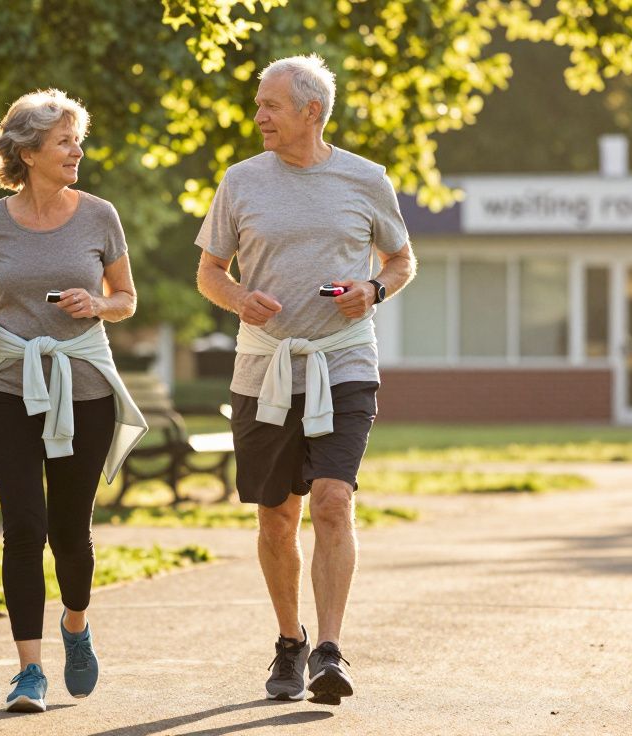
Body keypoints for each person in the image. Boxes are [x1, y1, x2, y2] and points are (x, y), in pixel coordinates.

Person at [195, 54, 417, 706]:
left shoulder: (365, 178)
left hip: (344, 362)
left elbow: (402, 259)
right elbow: (210, 272)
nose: (258, 115)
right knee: (275, 518)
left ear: (310, 112)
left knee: (330, 500)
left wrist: (373, 289)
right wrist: (241, 300)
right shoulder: (240, 182)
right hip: (264, 368)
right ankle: (289, 642)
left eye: (270, 105)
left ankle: (328, 648)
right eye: (260, 105)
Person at [0, 89, 147, 714]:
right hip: (8, 387)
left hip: (83, 388)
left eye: (76, 141)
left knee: (69, 530)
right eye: (64, 142)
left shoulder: (99, 216)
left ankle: (76, 627)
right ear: (28, 152)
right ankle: (28, 670)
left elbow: (127, 298)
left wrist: (98, 305)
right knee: (23, 526)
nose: (77, 152)